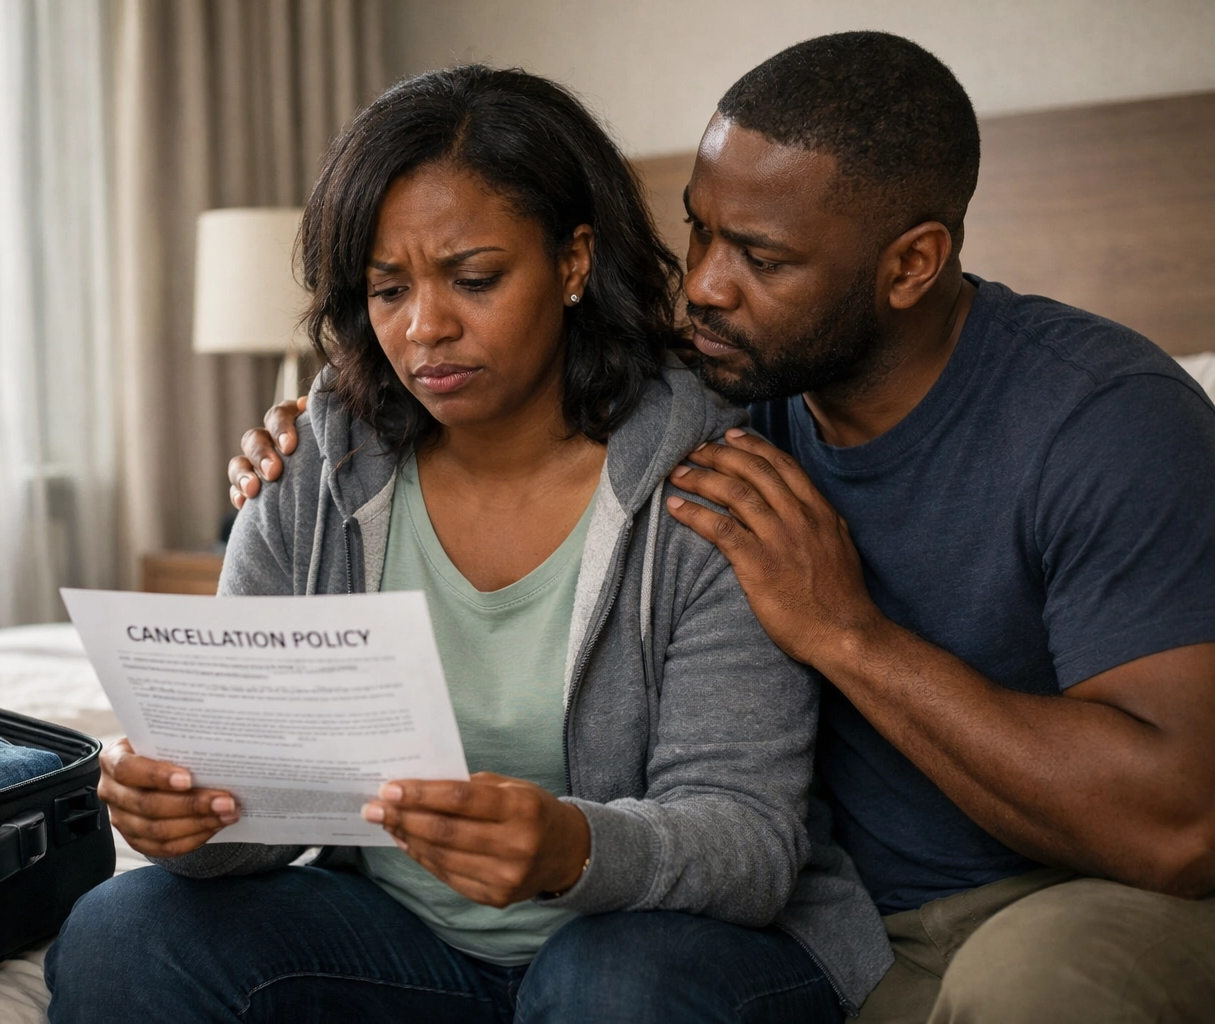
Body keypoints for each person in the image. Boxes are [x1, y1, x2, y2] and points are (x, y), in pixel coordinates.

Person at [233, 33, 1215, 1024]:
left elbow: (1179, 827)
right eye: (701, 232)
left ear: (912, 263)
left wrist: (845, 631)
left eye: (763, 257)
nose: (703, 285)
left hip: (1071, 896)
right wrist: (315, 424)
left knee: (1029, 986)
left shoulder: (1105, 421)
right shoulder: (724, 392)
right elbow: (529, 376)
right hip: (837, 916)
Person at [46, 66, 889, 1024]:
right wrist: (190, 821)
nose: (425, 328)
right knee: (127, 928)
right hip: (407, 948)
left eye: (475, 279)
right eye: (388, 289)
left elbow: (749, 844)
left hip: (664, 953)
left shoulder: (710, 486)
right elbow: (264, 822)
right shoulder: (311, 473)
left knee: (605, 987)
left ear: (574, 263)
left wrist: (574, 849)